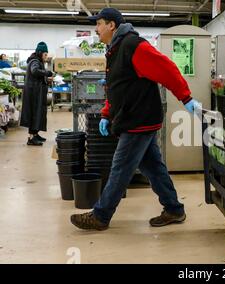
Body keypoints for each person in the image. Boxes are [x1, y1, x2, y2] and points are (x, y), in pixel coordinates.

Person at [70, 8, 201, 231]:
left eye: (99, 23)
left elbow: (167, 69)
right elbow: (118, 87)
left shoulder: (133, 46)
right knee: (153, 168)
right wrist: (106, 113)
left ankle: (101, 216)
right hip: (136, 117)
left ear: (111, 25)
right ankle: (174, 209)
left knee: (120, 168)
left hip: (139, 119)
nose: (96, 28)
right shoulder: (115, 50)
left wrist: (185, 97)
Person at [19, 42, 53, 146]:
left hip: (36, 92)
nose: (46, 57)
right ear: (40, 53)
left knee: (37, 114)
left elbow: (38, 77)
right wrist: (47, 73)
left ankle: (35, 134)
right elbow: (35, 71)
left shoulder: (37, 60)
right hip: (33, 93)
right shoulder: (35, 61)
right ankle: (31, 138)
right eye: (45, 54)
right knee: (34, 114)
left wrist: (46, 80)